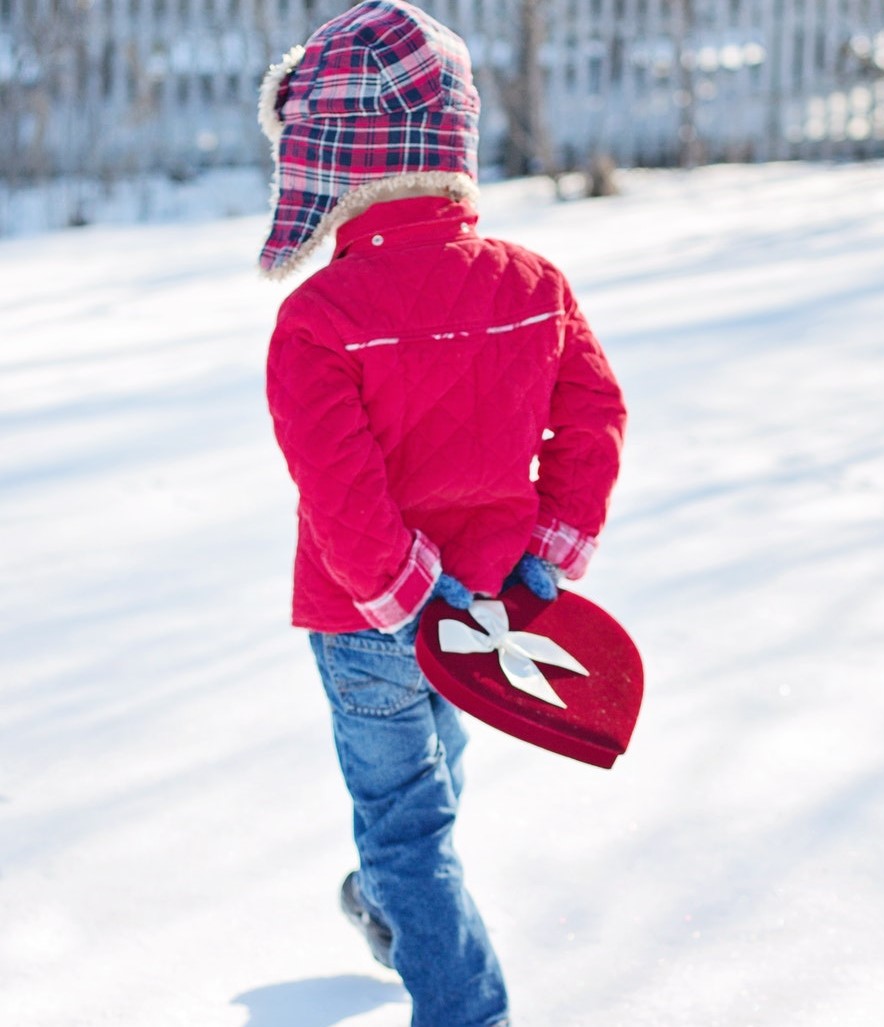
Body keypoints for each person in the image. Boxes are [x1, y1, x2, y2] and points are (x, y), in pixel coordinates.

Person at [256, 3, 627, 1024]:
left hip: (368, 612)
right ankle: (396, 905)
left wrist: (402, 589)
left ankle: (465, 1003)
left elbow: (340, 487)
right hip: (482, 608)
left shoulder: (320, 319)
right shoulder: (531, 282)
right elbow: (594, 413)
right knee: (430, 783)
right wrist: (547, 537)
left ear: (333, 159)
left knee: (405, 823)